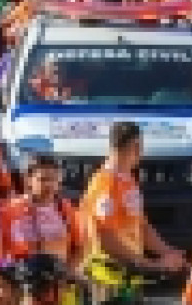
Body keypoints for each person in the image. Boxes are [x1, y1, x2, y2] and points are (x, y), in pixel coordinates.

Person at [78, 122, 186, 289]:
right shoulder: (105, 184)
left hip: (129, 275)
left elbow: (142, 226)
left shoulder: (128, 180)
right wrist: (148, 264)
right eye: (139, 146)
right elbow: (105, 238)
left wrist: (168, 252)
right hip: (107, 277)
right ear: (135, 146)